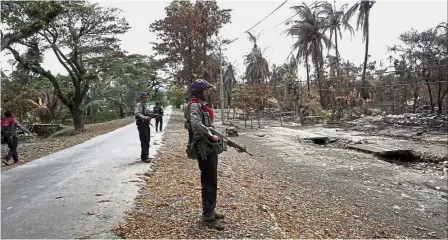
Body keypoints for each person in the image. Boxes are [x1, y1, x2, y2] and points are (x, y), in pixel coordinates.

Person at [186, 79, 225, 230]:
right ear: (198, 91)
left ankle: (211, 209)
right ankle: (208, 216)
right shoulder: (194, 105)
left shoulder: (201, 105)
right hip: (204, 148)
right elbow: (196, 124)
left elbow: (205, 124)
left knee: (212, 179)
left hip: (209, 148)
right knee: (209, 181)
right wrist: (210, 136)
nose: (208, 92)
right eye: (205, 89)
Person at [134, 92, 153, 163]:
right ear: (141, 98)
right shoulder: (139, 104)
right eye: (144, 97)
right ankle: (145, 157)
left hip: (146, 124)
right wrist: (145, 117)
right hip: (141, 124)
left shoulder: (145, 105)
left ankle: (145, 155)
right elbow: (137, 113)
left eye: (146, 97)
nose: (146, 98)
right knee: (144, 140)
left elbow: (147, 112)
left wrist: (150, 115)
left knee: (147, 139)